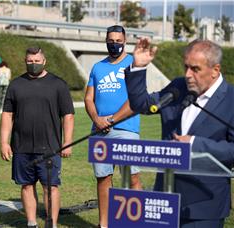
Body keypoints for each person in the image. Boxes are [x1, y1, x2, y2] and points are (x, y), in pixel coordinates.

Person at [125, 38, 234, 228]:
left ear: (215, 70)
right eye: (186, 67)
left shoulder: (231, 100)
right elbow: (142, 104)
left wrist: (195, 144)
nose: (188, 75)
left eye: (195, 69)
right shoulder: (178, 87)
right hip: (165, 199)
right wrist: (138, 67)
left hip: (203, 206)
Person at [0, 47, 74, 228]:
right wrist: (3, 142)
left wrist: (67, 142)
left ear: (44, 61)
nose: (33, 64)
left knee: (51, 187)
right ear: (25, 61)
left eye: (37, 61)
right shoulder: (16, 85)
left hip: (50, 147)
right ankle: (31, 222)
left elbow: (68, 115)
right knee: (26, 185)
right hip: (21, 147)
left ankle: (52, 223)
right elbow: (7, 115)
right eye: (30, 61)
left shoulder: (58, 84)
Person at [84, 25, 142, 228]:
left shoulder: (133, 63)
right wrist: (97, 119)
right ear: (106, 40)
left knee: (131, 178)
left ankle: (134, 223)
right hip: (99, 132)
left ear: (125, 40)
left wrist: (111, 120)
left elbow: (136, 99)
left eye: (118, 40)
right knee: (103, 178)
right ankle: (104, 224)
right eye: (111, 40)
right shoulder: (97, 67)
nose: (114, 44)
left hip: (126, 130)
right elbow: (88, 98)